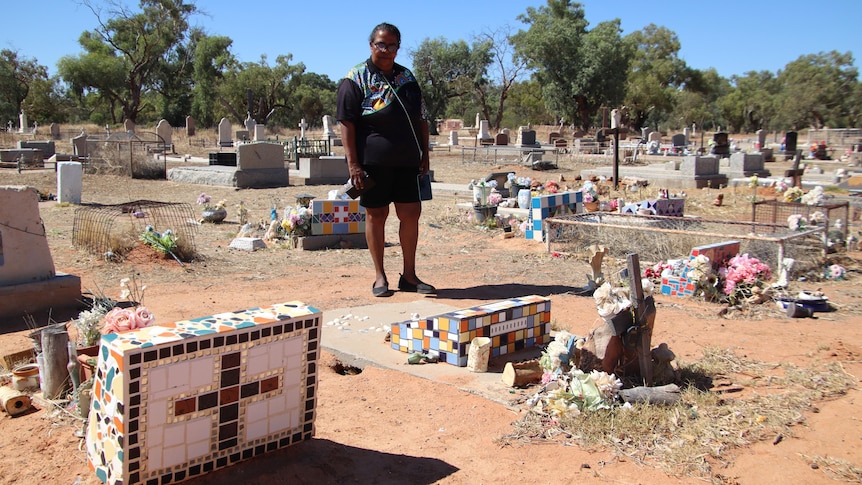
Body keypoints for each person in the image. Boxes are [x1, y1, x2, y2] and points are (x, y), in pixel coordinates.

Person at [336, 22, 436, 298]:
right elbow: (346, 123)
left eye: (392, 45)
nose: (386, 50)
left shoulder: (408, 78)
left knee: (410, 214)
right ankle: (380, 276)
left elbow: (422, 118)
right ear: (371, 45)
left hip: (407, 161)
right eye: (381, 44)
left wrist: (425, 153)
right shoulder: (356, 78)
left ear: (398, 48)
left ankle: (410, 276)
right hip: (372, 162)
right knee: (376, 214)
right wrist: (353, 164)